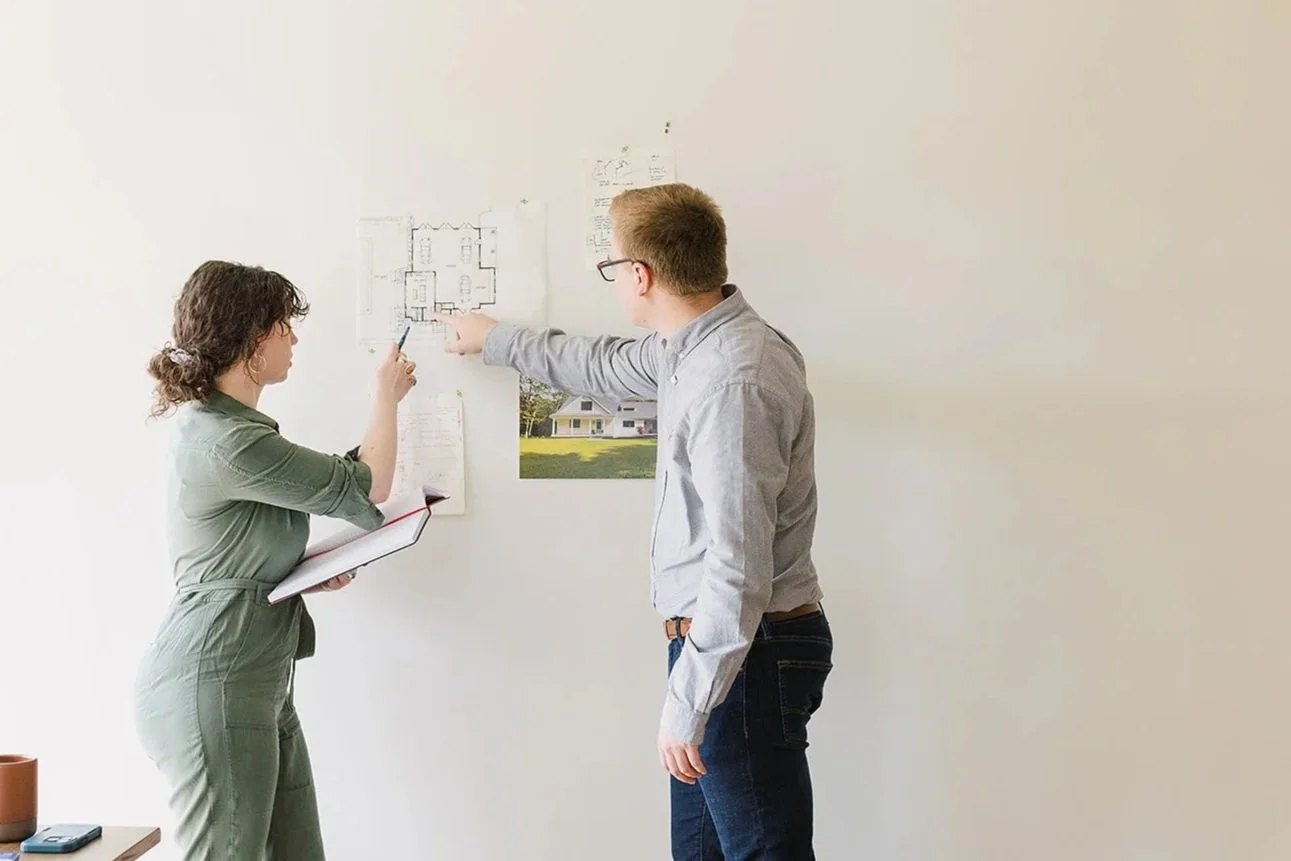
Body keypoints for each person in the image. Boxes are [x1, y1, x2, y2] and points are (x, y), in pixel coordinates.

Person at [433, 182, 832, 860]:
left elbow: (738, 565)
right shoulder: (690, 349)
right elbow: (601, 364)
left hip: (743, 651)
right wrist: (495, 339)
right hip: (721, 647)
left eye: (611, 265)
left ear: (639, 274)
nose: (614, 279)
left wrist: (690, 701)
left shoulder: (734, 377)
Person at [133, 260, 417, 860]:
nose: (294, 339)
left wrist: (301, 575)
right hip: (216, 685)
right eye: (284, 326)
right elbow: (369, 486)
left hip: (256, 684)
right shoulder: (227, 440)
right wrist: (384, 396)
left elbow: (234, 555)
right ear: (251, 340)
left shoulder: (231, 430)